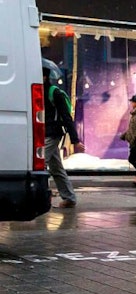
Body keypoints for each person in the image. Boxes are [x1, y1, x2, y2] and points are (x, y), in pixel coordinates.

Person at [42, 66, 85, 208]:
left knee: (40, 164)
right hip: (43, 133)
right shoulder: (38, 92)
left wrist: (75, 140)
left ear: (45, 77)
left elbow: (67, 118)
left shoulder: (54, 93)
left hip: (52, 134)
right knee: (56, 167)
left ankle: (43, 196)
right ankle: (69, 198)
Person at [121, 93, 136, 174]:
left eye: (132, 102)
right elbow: (133, 128)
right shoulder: (135, 113)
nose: (131, 104)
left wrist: (134, 138)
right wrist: (125, 135)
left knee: (133, 159)